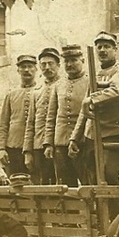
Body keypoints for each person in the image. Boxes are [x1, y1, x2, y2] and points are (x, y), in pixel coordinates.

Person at [69, 31, 119, 187]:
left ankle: (115, 211)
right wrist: (74, 137)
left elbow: (117, 90)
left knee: (109, 173)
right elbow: (84, 110)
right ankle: (98, 211)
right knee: (91, 176)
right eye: (99, 47)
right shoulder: (95, 73)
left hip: (112, 134)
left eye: (107, 46)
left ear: (115, 49)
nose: (102, 50)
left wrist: (91, 99)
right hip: (92, 135)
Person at [44, 44, 88, 186]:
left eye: (74, 60)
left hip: (83, 141)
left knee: (88, 181)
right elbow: (51, 117)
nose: (69, 64)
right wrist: (49, 143)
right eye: (66, 61)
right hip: (60, 142)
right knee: (65, 184)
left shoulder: (90, 82)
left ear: (82, 60)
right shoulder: (58, 85)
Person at [25, 47, 61, 184]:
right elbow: (30, 123)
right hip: (39, 145)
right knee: (45, 184)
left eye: (50, 64)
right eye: (43, 64)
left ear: (58, 65)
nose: (47, 67)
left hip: (59, 143)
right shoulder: (37, 91)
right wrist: (28, 151)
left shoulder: (64, 86)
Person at [0, 54, 39, 176]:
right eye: (23, 67)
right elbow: (3, 124)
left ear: (36, 69)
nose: (26, 70)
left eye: (30, 66)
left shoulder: (41, 91)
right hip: (14, 147)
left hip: (36, 146)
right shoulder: (11, 94)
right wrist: (2, 149)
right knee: (17, 182)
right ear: (18, 70)